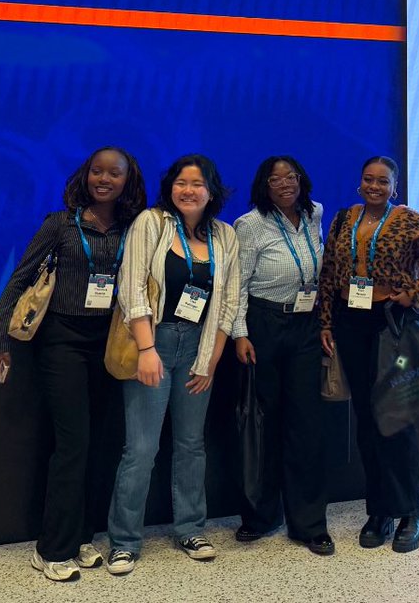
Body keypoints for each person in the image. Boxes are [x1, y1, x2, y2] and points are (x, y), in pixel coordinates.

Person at [0, 146, 147, 583]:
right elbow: (21, 278)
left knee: (99, 445)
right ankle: (50, 548)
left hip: (109, 344)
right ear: (85, 175)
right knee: (73, 444)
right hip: (61, 342)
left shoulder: (135, 229)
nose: (104, 179)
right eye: (97, 171)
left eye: (114, 174)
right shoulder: (59, 224)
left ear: (127, 182)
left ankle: (79, 537)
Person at [105, 154, 240, 576]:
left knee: (191, 445)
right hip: (154, 342)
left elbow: (229, 303)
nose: (188, 190)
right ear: (171, 187)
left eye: (198, 183)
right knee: (141, 449)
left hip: (198, 348)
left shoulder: (225, 235)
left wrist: (211, 361)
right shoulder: (153, 222)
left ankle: (190, 528)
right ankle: (125, 542)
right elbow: (131, 288)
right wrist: (147, 350)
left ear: (212, 191)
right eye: (181, 182)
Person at [319, 155, 419, 554]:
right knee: (367, 422)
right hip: (349, 323)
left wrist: (414, 294)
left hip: (390, 324)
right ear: (359, 182)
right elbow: (329, 273)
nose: (374, 186)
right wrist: (326, 323)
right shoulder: (345, 218)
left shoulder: (409, 220)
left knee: (395, 418)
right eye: (368, 179)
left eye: (383, 181)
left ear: (393, 187)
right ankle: (379, 510)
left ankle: (413, 510)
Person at [232, 156, 333, 555]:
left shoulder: (315, 213)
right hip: (264, 326)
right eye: (275, 179)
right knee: (263, 424)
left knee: (307, 425)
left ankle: (309, 524)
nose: (285, 183)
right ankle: (259, 517)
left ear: (301, 179)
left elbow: (319, 271)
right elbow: (236, 285)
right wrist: (240, 333)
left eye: (290, 176)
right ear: (264, 185)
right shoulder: (250, 224)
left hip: (306, 326)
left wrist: (325, 323)